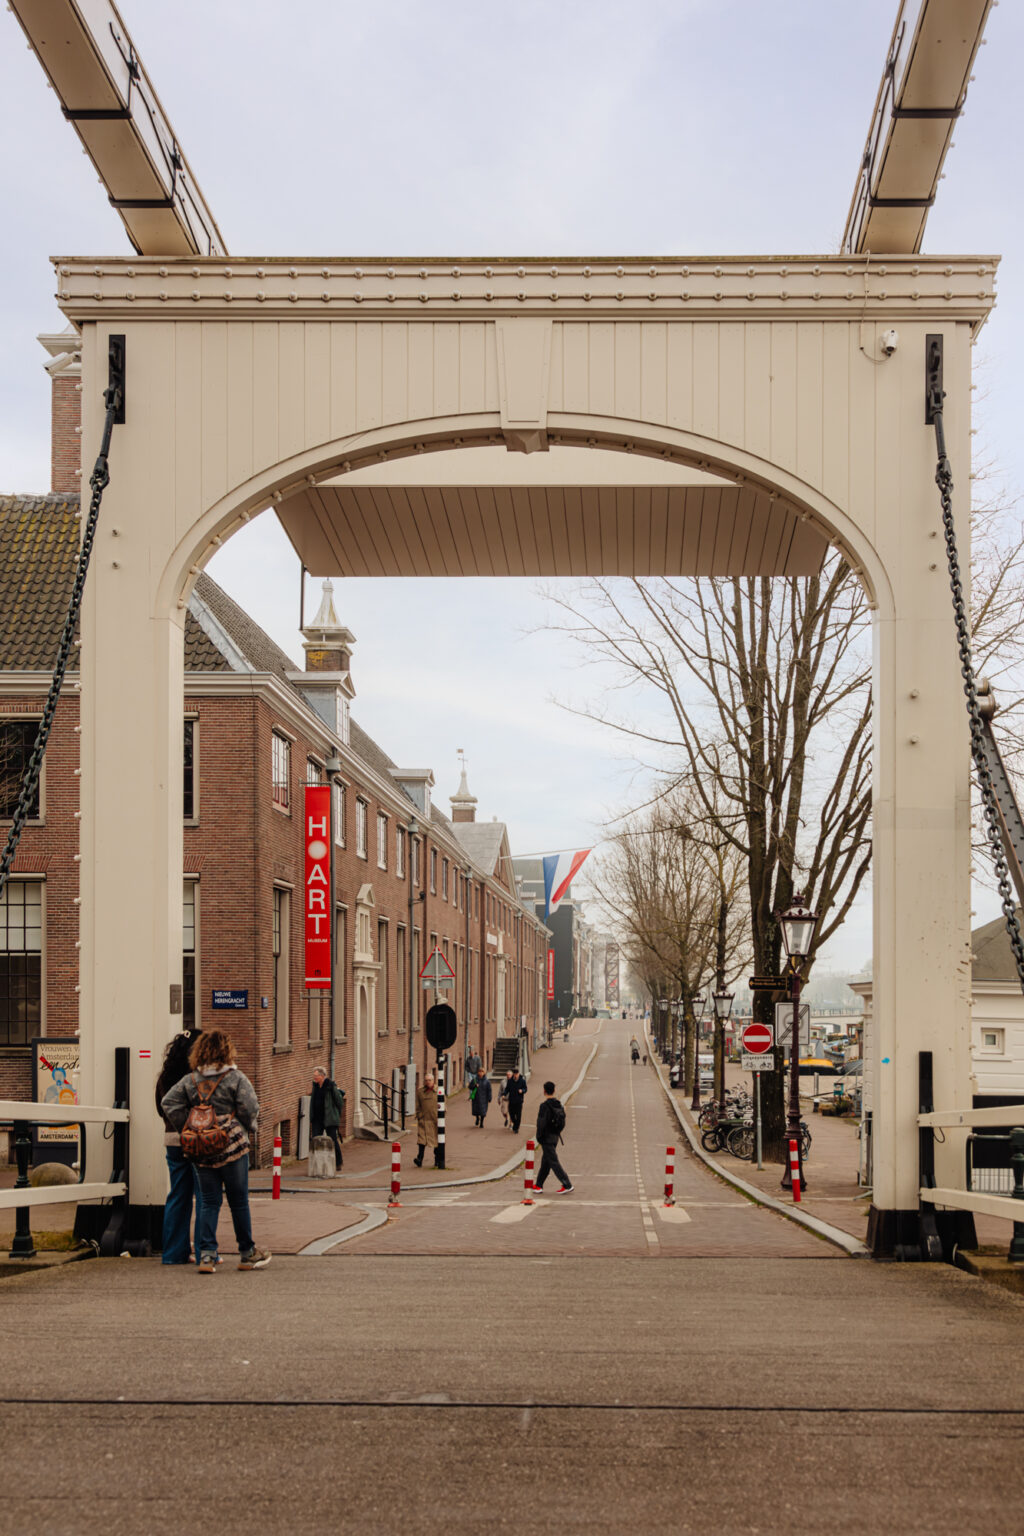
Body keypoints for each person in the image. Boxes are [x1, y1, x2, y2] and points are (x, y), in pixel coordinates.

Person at [161, 1028, 270, 1274]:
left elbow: (168, 1102)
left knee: (209, 1201)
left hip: (203, 1149)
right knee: (238, 1202)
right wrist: (242, 1127)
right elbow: (251, 1107)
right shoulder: (236, 1078)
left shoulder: (190, 1080)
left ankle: (207, 1256)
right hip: (232, 1147)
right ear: (227, 1051)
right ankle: (247, 1253)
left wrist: (188, 1126)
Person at [155, 1030, 203, 1265]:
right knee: (205, 1195)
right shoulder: (197, 1077)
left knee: (178, 1196)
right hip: (197, 1139)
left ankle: (174, 1253)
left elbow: (160, 1107)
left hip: (172, 1140)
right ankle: (206, 1251)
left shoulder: (165, 1076)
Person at [533, 1080, 573, 1194]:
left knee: (554, 1162)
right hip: (555, 1137)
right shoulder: (559, 1105)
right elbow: (563, 1122)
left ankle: (567, 1184)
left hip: (546, 1138)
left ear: (544, 1091)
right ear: (554, 1091)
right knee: (546, 1161)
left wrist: (539, 1137)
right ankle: (538, 1185)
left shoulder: (544, 1106)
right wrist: (557, 1132)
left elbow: (541, 1123)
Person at [310, 1066, 345, 1170]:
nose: (314, 1078)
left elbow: (339, 1102)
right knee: (315, 1139)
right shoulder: (315, 1086)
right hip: (317, 1118)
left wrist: (335, 1114)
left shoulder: (330, 1086)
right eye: (314, 1076)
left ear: (322, 1076)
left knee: (332, 1139)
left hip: (329, 1118)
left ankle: (338, 1162)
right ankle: (317, 1163)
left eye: (316, 1076)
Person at [414, 1073, 440, 1167]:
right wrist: (419, 1115)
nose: (428, 1082)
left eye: (429, 1080)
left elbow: (443, 1104)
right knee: (421, 1141)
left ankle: (437, 1160)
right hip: (424, 1120)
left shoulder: (439, 1091)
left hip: (435, 1121)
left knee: (436, 1142)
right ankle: (419, 1159)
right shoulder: (420, 1092)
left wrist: (441, 1117)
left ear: (433, 1080)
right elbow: (417, 1105)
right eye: (426, 1080)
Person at [506, 1067, 528, 1134]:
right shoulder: (510, 1081)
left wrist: (522, 1090)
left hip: (519, 1101)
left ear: (518, 1074)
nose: (515, 1075)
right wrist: (504, 1093)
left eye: (517, 1074)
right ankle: (515, 1124)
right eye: (514, 1074)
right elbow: (507, 1089)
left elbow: (525, 1089)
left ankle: (516, 1128)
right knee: (511, 1113)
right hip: (512, 1100)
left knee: (518, 1115)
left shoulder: (522, 1081)